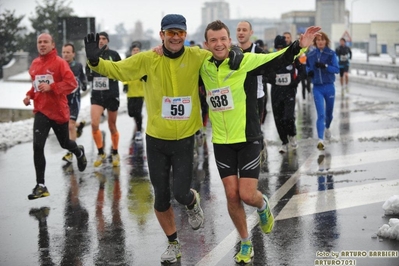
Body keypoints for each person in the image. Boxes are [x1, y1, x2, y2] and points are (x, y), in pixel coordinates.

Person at [84, 14, 243, 264]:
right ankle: (173, 243)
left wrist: (235, 51)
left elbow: (219, 50)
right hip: (156, 139)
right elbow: (118, 70)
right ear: (162, 35)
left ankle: (192, 201)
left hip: (184, 139)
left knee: (180, 193)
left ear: (186, 35)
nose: (176, 37)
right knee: (160, 198)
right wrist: (95, 60)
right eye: (170, 33)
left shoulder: (197, 56)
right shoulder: (149, 59)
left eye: (180, 32)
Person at [200, 20, 320, 264]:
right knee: (231, 196)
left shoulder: (243, 61)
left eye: (223, 39)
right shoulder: (201, 64)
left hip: (248, 137)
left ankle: (262, 204)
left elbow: (275, 60)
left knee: (246, 194)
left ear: (230, 39)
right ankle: (246, 242)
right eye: (213, 40)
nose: (219, 44)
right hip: (221, 142)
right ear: (206, 44)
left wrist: (299, 46)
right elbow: (175, 57)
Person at [23, 33, 87, 200]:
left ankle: (78, 152)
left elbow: (72, 84)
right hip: (41, 111)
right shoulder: (35, 64)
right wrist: (29, 95)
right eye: (39, 42)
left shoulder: (60, 63)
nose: (42, 44)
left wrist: (52, 87)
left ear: (53, 45)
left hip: (58, 111)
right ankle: (41, 185)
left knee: (65, 143)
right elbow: (35, 86)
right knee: (37, 146)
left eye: (46, 42)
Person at [85, 32, 122, 167]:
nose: (101, 41)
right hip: (97, 95)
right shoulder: (93, 54)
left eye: (104, 39)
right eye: (99, 39)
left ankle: (115, 151)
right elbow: (87, 70)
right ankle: (101, 152)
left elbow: (121, 70)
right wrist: (87, 77)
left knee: (112, 126)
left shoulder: (114, 54)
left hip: (111, 94)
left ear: (108, 40)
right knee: (94, 124)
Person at [266, 35, 303, 153]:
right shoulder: (271, 59)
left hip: (289, 91)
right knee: (278, 118)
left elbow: (302, 70)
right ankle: (284, 142)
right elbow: (264, 72)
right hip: (276, 92)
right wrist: (270, 78)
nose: (279, 50)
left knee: (288, 117)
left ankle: (292, 135)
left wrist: (296, 82)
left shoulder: (291, 57)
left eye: (281, 48)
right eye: (277, 48)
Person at [306, 31, 340, 150]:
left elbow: (336, 69)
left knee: (328, 114)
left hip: (329, 87)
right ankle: (321, 140)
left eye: (322, 39)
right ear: (315, 42)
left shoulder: (331, 54)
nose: (320, 42)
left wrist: (325, 66)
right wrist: (308, 71)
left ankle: (327, 128)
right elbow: (307, 66)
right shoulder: (310, 55)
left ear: (326, 41)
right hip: (317, 88)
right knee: (321, 114)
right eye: (318, 40)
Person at [61, 43, 88, 163]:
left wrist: (84, 84)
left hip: (74, 100)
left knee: (70, 126)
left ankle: (70, 153)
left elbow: (82, 77)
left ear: (73, 54)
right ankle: (79, 125)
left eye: (68, 52)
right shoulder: (59, 66)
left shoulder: (77, 65)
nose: (66, 54)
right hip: (62, 101)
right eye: (64, 52)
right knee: (66, 124)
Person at [122, 41, 145, 141]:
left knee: (138, 112)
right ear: (131, 52)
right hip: (131, 92)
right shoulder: (128, 62)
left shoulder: (143, 62)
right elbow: (124, 74)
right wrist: (125, 84)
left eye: (137, 50)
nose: (135, 52)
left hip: (140, 92)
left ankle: (139, 131)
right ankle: (139, 121)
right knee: (131, 113)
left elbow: (147, 73)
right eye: (134, 50)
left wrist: (143, 77)